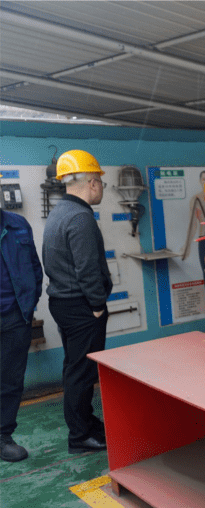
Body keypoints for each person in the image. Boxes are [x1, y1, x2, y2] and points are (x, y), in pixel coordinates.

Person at [42, 149, 113, 454]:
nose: (101, 188)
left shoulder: (60, 211)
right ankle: (80, 436)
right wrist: (97, 305)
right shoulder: (81, 217)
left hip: (64, 302)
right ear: (93, 183)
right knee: (82, 372)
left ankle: (85, 422)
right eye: (101, 183)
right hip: (81, 306)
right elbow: (87, 268)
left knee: (75, 368)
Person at [1, 210, 43, 462]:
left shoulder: (17, 224)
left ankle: (3, 436)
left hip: (15, 317)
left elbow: (34, 267)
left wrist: (28, 304)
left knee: (10, 381)